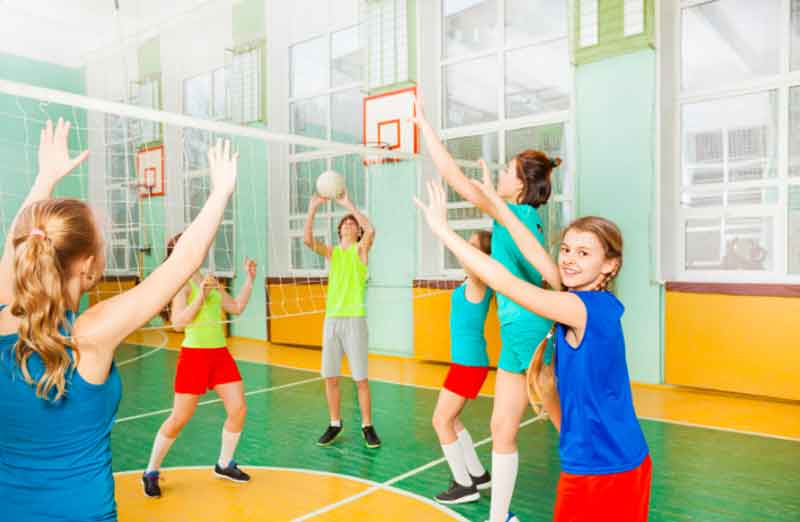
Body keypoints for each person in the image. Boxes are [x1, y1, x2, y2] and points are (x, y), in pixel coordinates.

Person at [0, 119, 239, 521]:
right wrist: (221, 191)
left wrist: (44, 179)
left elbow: (18, 241)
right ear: (90, 266)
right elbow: (185, 260)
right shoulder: (90, 334)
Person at [415, 173, 652, 522]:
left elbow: (506, 282)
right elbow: (533, 251)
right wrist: (499, 207)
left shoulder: (585, 309)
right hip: (594, 459)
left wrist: (442, 232)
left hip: (611, 467)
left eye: (584, 253)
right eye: (567, 250)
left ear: (610, 265)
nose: (569, 259)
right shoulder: (579, 298)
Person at [303, 189, 381, 448]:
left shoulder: (360, 250)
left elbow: (371, 230)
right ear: (340, 232)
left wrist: (349, 203)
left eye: (352, 223)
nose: (349, 224)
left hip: (355, 320)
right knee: (331, 377)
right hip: (332, 321)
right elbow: (307, 240)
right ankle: (335, 423)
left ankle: (367, 426)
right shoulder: (333, 253)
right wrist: (313, 208)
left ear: (357, 232)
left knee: (360, 379)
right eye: (344, 223)